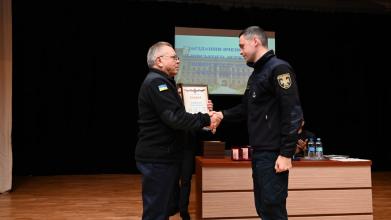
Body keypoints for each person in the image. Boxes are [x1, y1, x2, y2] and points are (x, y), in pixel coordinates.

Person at [215, 26, 303, 220]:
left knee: (273, 208)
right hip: (260, 152)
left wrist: (286, 153)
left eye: (241, 46)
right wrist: (221, 114)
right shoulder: (256, 74)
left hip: (273, 153)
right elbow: (245, 109)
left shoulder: (279, 68)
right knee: (263, 208)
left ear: (255, 41)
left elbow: (293, 113)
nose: (240, 51)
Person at [135, 41, 220, 220]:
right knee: (156, 213)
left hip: (165, 157)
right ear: (159, 61)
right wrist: (207, 118)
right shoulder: (157, 83)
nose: (178, 61)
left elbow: (177, 115)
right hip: (158, 159)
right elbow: (175, 119)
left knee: (164, 210)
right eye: (174, 57)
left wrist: (203, 112)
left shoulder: (164, 82)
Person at [169, 100, 214, 220]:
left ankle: (183, 210)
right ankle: (174, 205)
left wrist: (207, 112)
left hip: (188, 147)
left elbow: (203, 127)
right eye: (178, 92)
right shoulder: (170, 105)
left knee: (186, 180)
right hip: (171, 148)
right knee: (171, 179)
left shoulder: (194, 105)